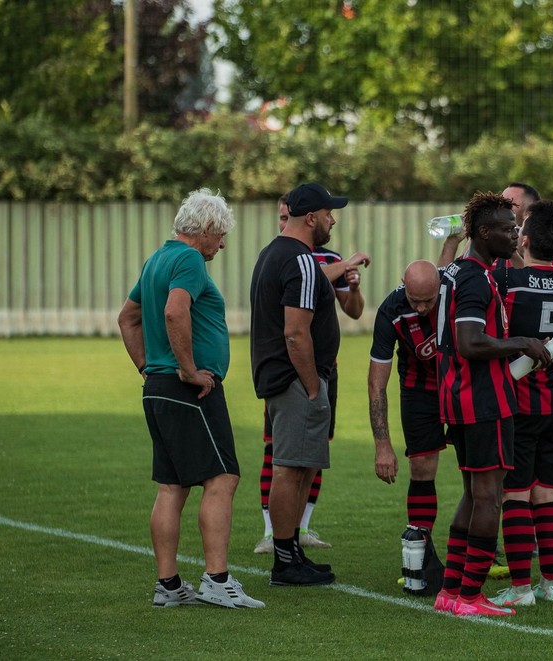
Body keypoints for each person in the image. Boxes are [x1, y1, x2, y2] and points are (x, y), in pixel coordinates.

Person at [117, 188, 264, 609]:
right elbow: (174, 311)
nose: (222, 243)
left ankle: (169, 586)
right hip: (187, 390)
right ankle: (217, 580)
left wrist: (148, 367)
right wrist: (185, 369)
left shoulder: (157, 259)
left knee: (172, 486)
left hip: (159, 390)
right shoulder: (189, 260)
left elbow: (127, 317)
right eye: (220, 235)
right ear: (206, 229)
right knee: (222, 479)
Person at [431, 191, 551, 617]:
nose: (515, 235)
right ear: (484, 233)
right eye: (507, 229)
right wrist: (522, 343)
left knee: (471, 493)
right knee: (490, 497)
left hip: (460, 396)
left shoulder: (460, 272)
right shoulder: (474, 278)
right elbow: (469, 342)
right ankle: (469, 596)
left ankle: (449, 592)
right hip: (482, 399)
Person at [254, 197, 370, 554]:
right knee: (284, 459)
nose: (332, 221)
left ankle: (297, 536)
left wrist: (352, 284)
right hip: (298, 376)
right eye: (328, 214)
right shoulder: (294, 257)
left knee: (309, 457)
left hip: (318, 372)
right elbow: (297, 320)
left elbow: (352, 311)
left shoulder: (321, 258)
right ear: (310, 218)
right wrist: (310, 386)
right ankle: (276, 538)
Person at [488, 200, 553, 607]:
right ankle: (552, 584)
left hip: (519, 400)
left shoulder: (509, 280)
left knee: (516, 495)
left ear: (523, 238)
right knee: (549, 492)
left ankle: (521, 587)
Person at [368, 260, 445, 536]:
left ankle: (479, 546)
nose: (421, 308)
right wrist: (382, 445)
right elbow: (377, 384)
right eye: (415, 300)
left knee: (477, 470)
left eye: (428, 301)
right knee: (421, 466)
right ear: (403, 284)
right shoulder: (391, 310)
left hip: (462, 387)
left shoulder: (459, 290)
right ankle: (419, 548)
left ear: (440, 286)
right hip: (419, 389)